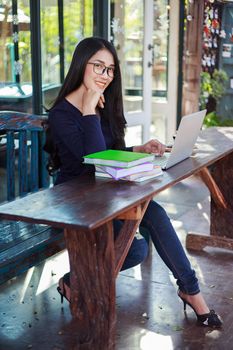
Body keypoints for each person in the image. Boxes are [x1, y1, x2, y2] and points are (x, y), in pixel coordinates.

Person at [44, 37, 222, 328]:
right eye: (98, 67)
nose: (104, 75)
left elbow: (110, 152)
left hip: (108, 193)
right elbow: (94, 158)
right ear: (81, 66)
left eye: (110, 69)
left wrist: (138, 150)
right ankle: (74, 282)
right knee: (137, 249)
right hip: (76, 203)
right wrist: (88, 107)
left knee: (155, 214)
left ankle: (191, 292)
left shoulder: (105, 103)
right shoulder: (63, 112)